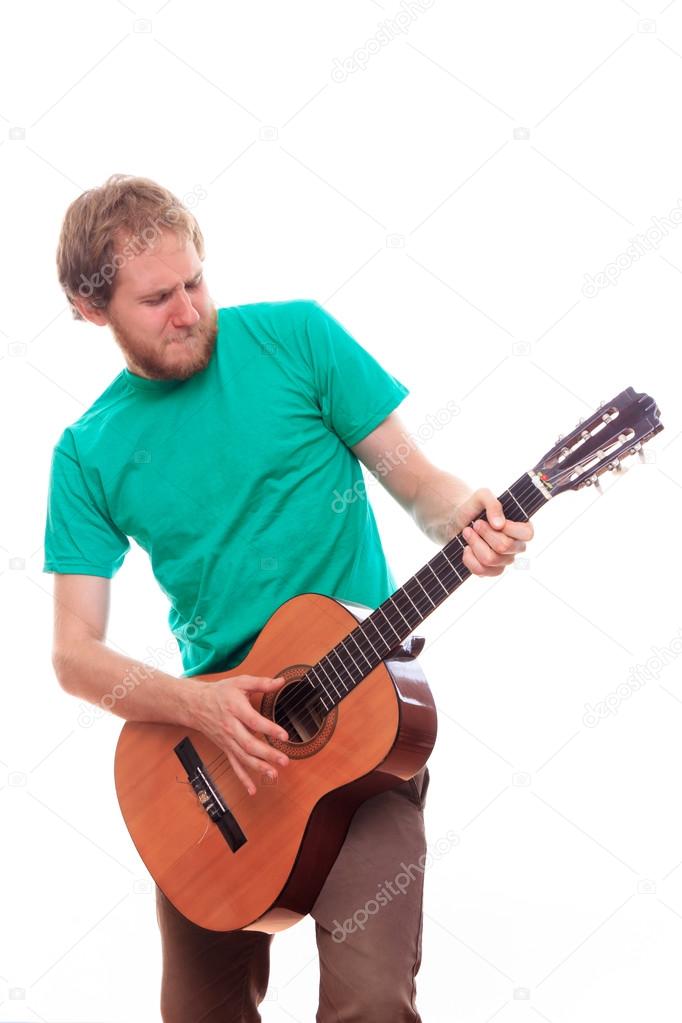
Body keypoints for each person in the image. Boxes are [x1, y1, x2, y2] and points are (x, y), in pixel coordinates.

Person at [43, 174, 534, 1022]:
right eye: (157, 298)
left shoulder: (298, 338)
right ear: (93, 311)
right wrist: (198, 705)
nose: (190, 310)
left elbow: (420, 487)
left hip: (365, 738)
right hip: (209, 770)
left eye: (195, 281)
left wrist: (470, 519)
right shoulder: (86, 452)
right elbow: (73, 653)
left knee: (373, 1003)